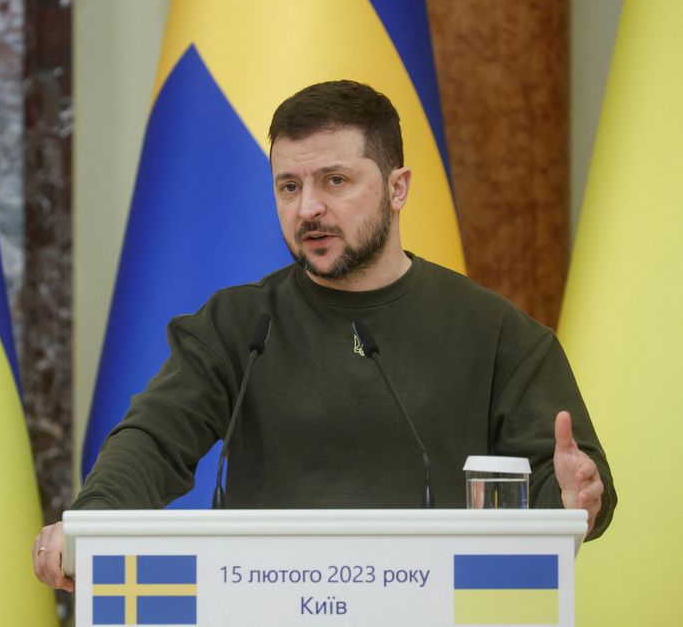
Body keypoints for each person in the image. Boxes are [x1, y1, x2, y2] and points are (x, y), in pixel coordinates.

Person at [33, 80, 615, 591]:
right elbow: (154, 441)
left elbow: (569, 483)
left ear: (398, 187)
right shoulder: (238, 325)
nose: (308, 208)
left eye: (334, 180)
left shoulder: (494, 332)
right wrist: (95, 522)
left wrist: (570, 502)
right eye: (289, 186)